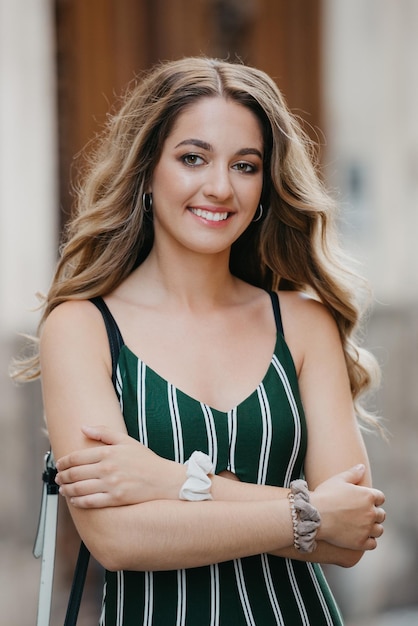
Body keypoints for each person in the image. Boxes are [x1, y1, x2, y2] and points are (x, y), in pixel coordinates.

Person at [17, 57, 385, 625]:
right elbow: (118, 537)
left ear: (266, 184)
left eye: (245, 165)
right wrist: (308, 513)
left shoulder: (305, 323)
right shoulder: (82, 326)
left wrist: (172, 482)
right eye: (193, 158)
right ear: (147, 170)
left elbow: (352, 531)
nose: (219, 187)